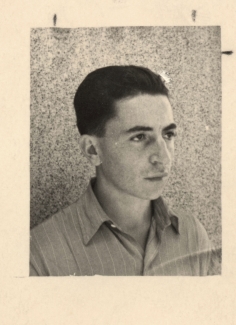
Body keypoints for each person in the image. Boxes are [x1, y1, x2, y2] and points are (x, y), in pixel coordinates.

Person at [30, 65, 219, 276]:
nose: (163, 157)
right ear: (92, 150)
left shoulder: (192, 234)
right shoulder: (40, 254)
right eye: (139, 137)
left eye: (168, 134)